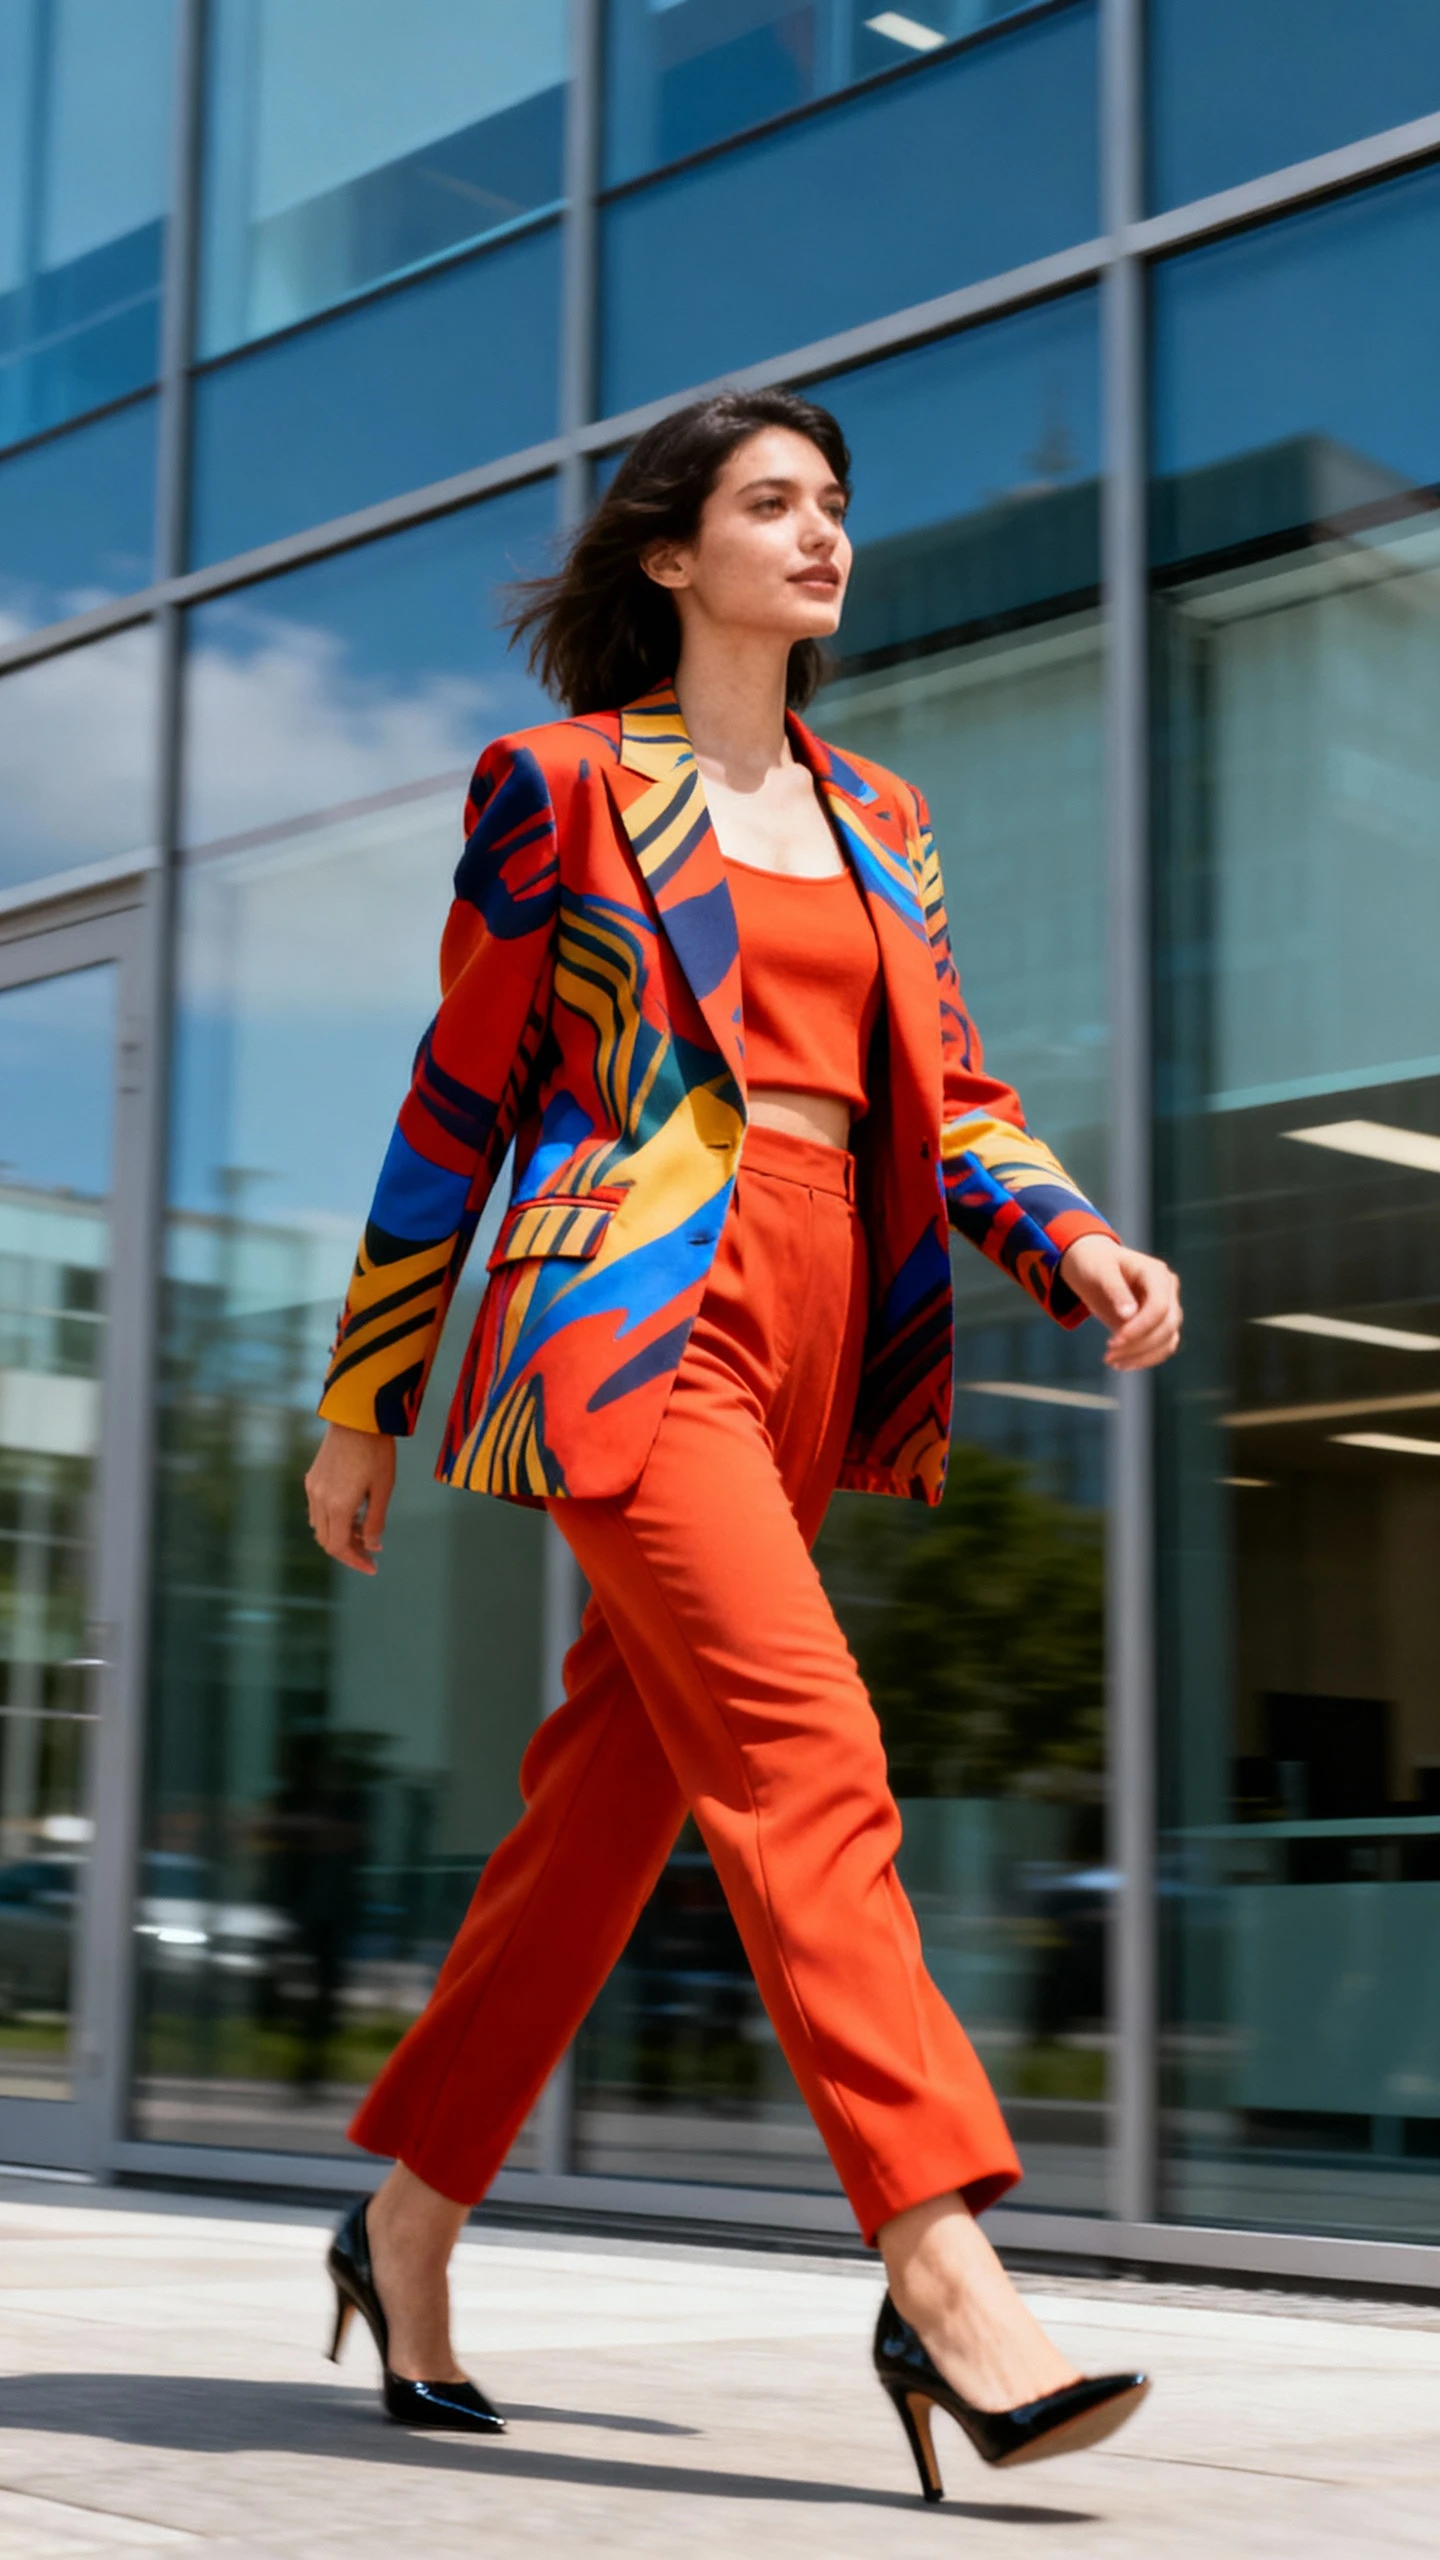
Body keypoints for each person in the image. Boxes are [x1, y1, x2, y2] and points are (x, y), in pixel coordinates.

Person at [304, 388, 1182, 2496]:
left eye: (835, 504)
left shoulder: (885, 815)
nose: (822, 532)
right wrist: (365, 1395)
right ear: (672, 554)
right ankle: (943, 2266)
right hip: (625, 1310)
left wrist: (1071, 1235)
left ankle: (403, 2217)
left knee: (608, 1813)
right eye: (772, 501)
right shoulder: (558, 788)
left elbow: (951, 1094)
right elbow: (456, 1099)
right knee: (809, 1749)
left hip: (821, 1313)